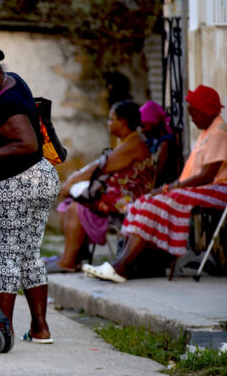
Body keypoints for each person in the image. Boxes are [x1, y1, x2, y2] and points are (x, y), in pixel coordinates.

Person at [83, 85, 227, 283]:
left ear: (207, 111)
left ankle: (122, 267)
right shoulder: (208, 130)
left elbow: (207, 176)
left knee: (154, 203)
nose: (192, 119)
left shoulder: (219, 132)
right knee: (143, 202)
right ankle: (120, 264)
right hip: (198, 188)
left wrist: (170, 187)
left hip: (214, 190)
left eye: (195, 114)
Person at [0, 49, 60, 345]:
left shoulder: (9, 103)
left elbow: (28, 144)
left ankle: (1, 329)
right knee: (29, 255)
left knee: (6, 258)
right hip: (39, 180)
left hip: (14, 185)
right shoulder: (13, 83)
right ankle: (40, 329)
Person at [51, 101, 155, 273]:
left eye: (111, 119)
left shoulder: (134, 145)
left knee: (76, 206)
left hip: (129, 200)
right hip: (119, 195)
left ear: (122, 121)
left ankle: (68, 261)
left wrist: (71, 182)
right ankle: (72, 258)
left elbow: (99, 167)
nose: (109, 123)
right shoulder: (128, 142)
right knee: (69, 203)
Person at [140, 100, 180, 188]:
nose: (142, 131)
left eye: (144, 126)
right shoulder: (152, 142)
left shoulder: (165, 143)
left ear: (154, 123)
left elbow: (159, 175)